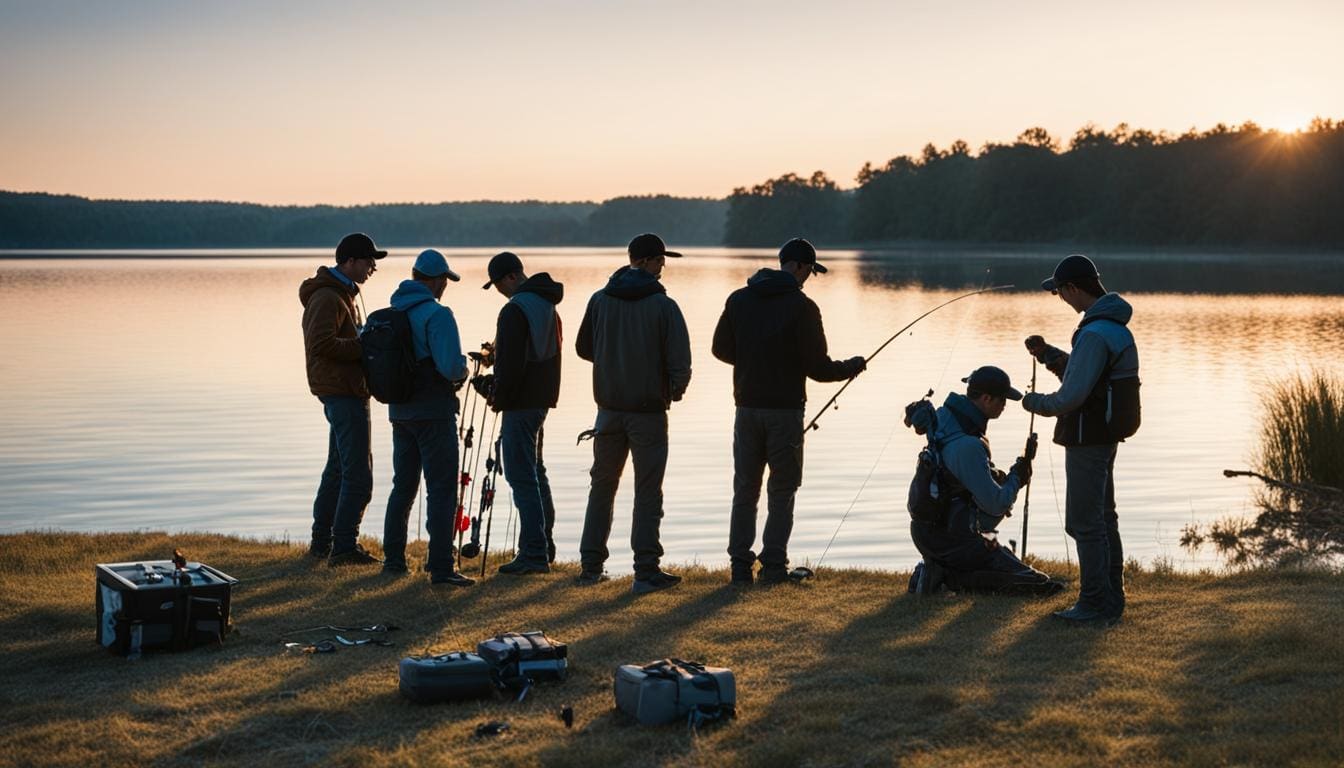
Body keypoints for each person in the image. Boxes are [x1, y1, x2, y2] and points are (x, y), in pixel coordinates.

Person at [711, 238, 866, 584]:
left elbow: (719, 348)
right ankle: (774, 567)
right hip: (785, 413)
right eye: (810, 269)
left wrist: (753, 359)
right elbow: (819, 368)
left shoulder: (738, 299)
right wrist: (852, 366)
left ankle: (739, 567)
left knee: (745, 489)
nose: (810, 276)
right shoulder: (803, 307)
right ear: (797, 266)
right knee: (781, 490)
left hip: (746, 409)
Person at [1021, 254, 1140, 625]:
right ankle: (1111, 599)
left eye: (1060, 292)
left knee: (1085, 523)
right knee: (1105, 518)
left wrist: (1032, 402)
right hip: (1105, 435)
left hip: (1088, 438)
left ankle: (1092, 605)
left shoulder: (1094, 332)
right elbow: (1089, 377)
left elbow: (1071, 397)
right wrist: (1049, 355)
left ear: (1074, 288)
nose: (1061, 298)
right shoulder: (1113, 327)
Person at [574, 233, 693, 594]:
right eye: (659, 261)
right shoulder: (663, 306)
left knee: (602, 487)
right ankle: (645, 570)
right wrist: (676, 389)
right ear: (643, 262)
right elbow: (680, 361)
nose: (662, 268)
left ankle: (591, 566)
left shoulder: (599, 300)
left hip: (607, 411)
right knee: (647, 491)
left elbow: (583, 348)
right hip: (648, 412)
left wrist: (613, 361)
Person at [905, 367, 1062, 596]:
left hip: (933, 533)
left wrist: (1007, 476)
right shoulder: (967, 445)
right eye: (1002, 400)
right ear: (986, 398)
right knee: (1036, 583)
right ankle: (945, 577)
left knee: (1003, 558)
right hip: (952, 539)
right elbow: (996, 504)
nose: (1004, 406)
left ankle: (938, 569)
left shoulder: (945, 421)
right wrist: (1017, 477)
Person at [381, 249, 475, 586]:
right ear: (436, 280)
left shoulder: (394, 310)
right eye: (445, 281)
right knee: (441, 489)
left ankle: (393, 560)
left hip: (399, 412)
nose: (445, 287)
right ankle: (441, 567)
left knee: (403, 486)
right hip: (434, 412)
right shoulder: (437, 314)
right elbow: (450, 367)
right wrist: (463, 368)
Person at [299, 232, 385, 567]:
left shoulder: (341, 295)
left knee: (337, 469)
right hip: (341, 391)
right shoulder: (327, 298)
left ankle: (323, 542)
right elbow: (320, 344)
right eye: (368, 261)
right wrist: (364, 344)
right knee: (358, 473)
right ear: (349, 261)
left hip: (344, 389)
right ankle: (345, 546)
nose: (372, 268)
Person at [480, 251, 563, 575]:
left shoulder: (514, 309)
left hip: (520, 403)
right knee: (535, 472)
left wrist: (493, 392)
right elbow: (530, 351)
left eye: (499, 283)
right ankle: (545, 545)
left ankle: (532, 554)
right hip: (541, 399)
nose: (500, 290)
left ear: (512, 277)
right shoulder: (546, 304)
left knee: (520, 475)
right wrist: (494, 358)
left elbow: (512, 367)